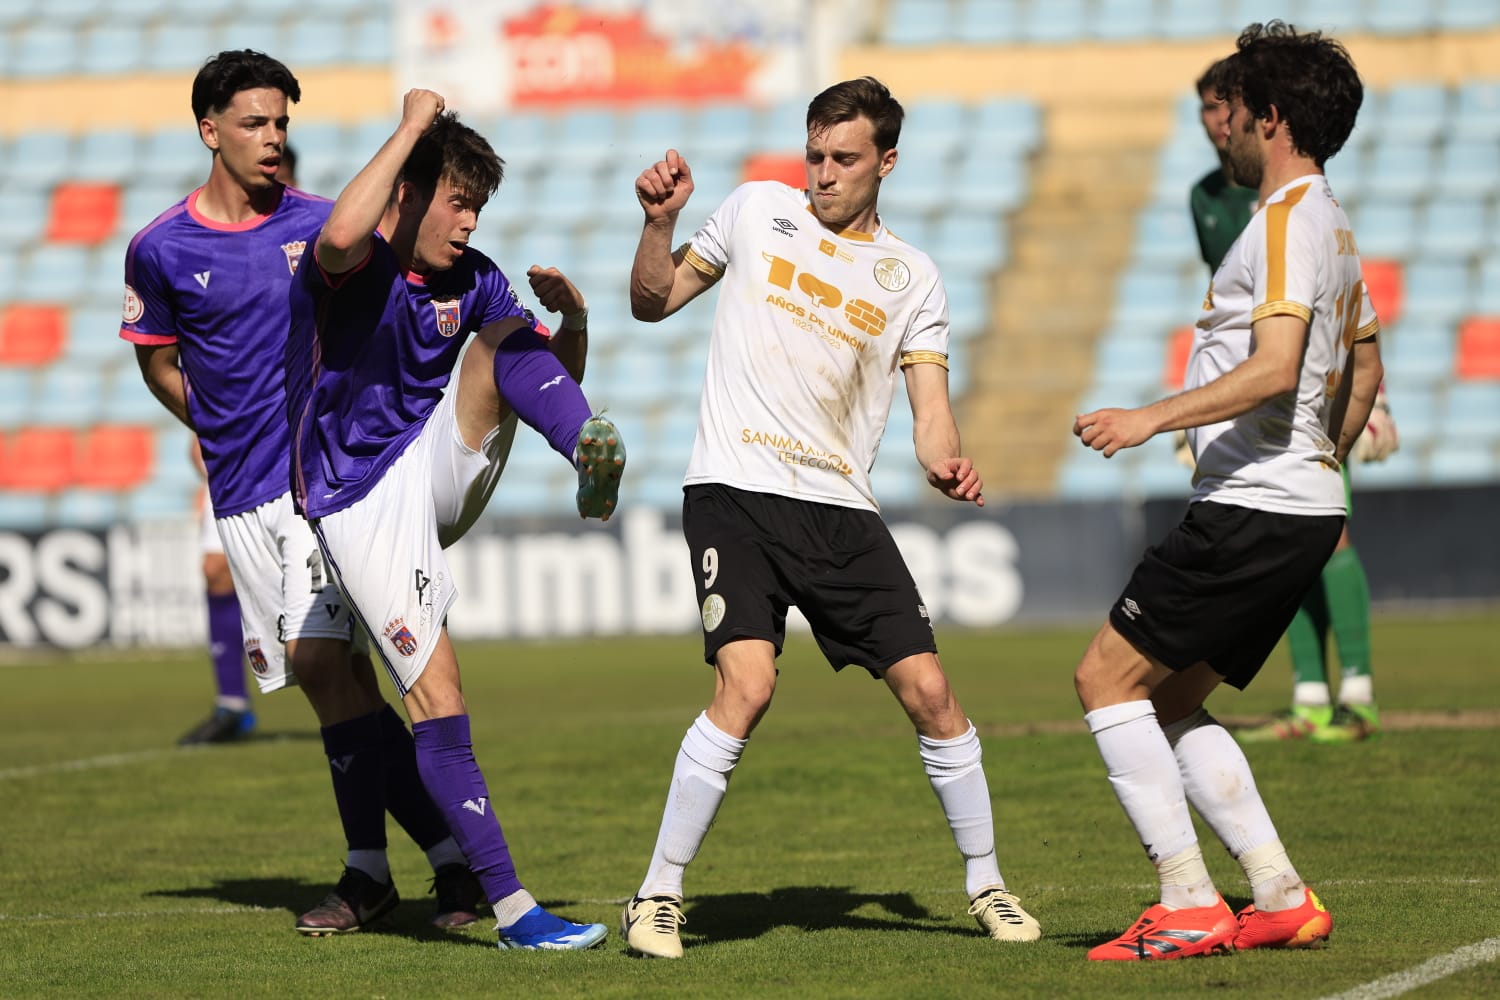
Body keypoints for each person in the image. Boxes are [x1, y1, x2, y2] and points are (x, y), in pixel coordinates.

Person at [619, 76, 1040, 959]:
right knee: (749, 685)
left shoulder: (912, 277)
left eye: (844, 159)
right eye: (814, 155)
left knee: (931, 693)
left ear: (886, 162)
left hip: (841, 508)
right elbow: (651, 303)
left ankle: (987, 883)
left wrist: (945, 460)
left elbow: (931, 410)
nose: (822, 174)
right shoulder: (753, 210)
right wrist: (658, 226)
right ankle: (657, 894)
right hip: (732, 491)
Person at [123, 50, 490, 935]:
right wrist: (210, 432)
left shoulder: (329, 227)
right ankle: (431, 864)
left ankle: (393, 872)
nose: (273, 139)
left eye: (282, 123)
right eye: (254, 124)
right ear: (209, 131)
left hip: (319, 483)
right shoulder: (160, 249)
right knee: (335, 684)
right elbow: (159, 364)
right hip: (243, 493)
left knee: (330, 665)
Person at [285, 89, 623, 951]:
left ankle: (583, 446)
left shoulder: (473, 277)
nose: (470, 223)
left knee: (501, 339)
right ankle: (479, 897)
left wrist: (574, 323)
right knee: (374, 678)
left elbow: (534, 369)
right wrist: (408, 129)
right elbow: (332, 236)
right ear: (408, 194)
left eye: (479, 206)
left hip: (427, 464)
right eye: (458, 202)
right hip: (353, 494)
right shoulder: (352, 261)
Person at [1072, 22, 1381, 960]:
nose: (1228, 129)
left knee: (1104, 680)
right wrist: (1320, 464)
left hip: (1253, 503)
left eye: (1237, 112)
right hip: (1295, 504)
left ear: (1271, 118)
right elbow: (1364, 367)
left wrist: (1148, 418)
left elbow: (1279, 367)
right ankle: (1279, 896)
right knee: (1165, 701)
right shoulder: (1332, 223)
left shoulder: (1287, 222)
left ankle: (1188, 902)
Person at [1186, 60, 1398, 746]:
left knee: (1323, 533)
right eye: (1208, 112)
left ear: (1257, 114)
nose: (1220, 123)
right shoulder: (1210, 197)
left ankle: (1358, 693)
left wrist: (1376, 401)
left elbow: (1341, 310)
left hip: (1307, 398)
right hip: (1253, 402)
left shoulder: (1296, 204)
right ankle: (1310, 694)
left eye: (1227, 107)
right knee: (1297, 545)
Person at [177, 145, 300, 747]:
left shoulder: (313, 238)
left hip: (302, 446)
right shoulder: (206, 246)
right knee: (215, 570)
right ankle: (232, 704)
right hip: (234, 447)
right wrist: (203, 425)